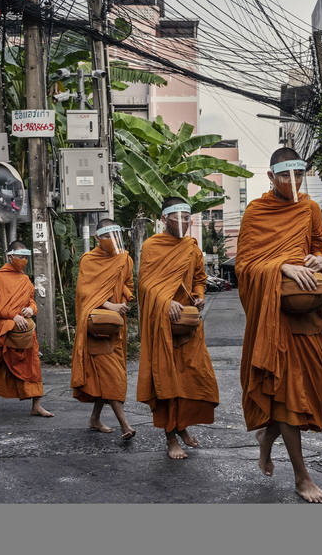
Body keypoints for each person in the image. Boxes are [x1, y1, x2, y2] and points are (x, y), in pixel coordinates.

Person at [236, 147, 322, 503]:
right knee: (290, 396)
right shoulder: (256, 211)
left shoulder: (310, 208)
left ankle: (267, 438)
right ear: (271, 177)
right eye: (284, 176)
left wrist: (318, 259)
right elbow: (245, 265)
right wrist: (280, 266)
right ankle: (301, 476)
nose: (292, 183)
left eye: (299, 176)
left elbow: (319, 245)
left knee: (314, 391)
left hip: (306, 312)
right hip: (274, 315)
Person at [136, 197, 220, 460]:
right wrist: (164, 301)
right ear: (164, 219)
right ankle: (170, 438)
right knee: (166, 381)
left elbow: (199, 278)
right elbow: (146, 285)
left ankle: (182, 426)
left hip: (188, 324)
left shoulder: (191, 248)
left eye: (187, 217)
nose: (184, 222)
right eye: (178, 217)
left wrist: (199, 295)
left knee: (192, 378)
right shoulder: (152, 246)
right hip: (163, 324)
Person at [71, 218, 136, 440]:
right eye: (107, 236)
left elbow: (128, 284)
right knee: (112, 376)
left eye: (115, 236)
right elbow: (85, 293)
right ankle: (125, 425)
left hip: (116, 326)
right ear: (97, 237)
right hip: (96, 326)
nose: (112, 241)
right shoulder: (88, 260)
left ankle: (95, 418)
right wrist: (110, 305)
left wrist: (126, 296)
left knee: (105, 377)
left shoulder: (124, 259)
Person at [0, 241, 53, 417]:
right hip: (5, 326)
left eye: (26, 257)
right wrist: (12, 316)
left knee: (33, 364)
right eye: (20, 256)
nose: (23, 260)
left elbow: (31, 301)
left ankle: (36, 404)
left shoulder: (24, 279)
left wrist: (31, 309)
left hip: (25, 329)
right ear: (10, 256)